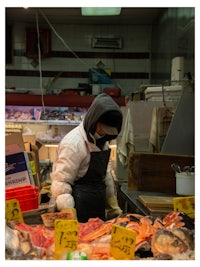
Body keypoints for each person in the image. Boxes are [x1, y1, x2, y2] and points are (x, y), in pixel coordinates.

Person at [50, 93, 123, 222]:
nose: (103, 133)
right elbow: (61, 184)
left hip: (97, 208)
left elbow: (103, 174)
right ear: (94, 121)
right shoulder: (73, 144)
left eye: (107, 132)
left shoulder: (102, 141)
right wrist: (69, 215)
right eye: (102, 129)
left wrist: (112, 204)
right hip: (78, 208)